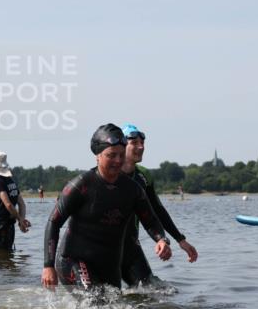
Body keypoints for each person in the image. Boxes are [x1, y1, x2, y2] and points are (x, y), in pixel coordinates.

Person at [42, 124, 171, 290]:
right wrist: (48, 266)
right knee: (96, 303)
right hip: (74, 260)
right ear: (98, 155)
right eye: (111, 155)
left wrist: (161, 239)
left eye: (121, 155)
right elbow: (53, 222)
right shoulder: (80, 186)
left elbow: (150, 220)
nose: (118, 161)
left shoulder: (133, 190)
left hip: (109, 263)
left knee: (119, 307)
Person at [118, 124, 198, 287]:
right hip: (102, 246)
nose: (141, 146)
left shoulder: (143, 176)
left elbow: (157, 211)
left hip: (131, 246)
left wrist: (179, 240)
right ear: (121, 145)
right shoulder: (108, 174)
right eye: (134, 142)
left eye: (143, 142)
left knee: (153, 290)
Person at [0, 151, 30, 251]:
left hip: (0, 225)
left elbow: (8, 204)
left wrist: (20, 220)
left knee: (0, 256)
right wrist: (21, 220)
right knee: (8, 253)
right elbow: (22, 204)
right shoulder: (11, 181)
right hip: (9, 225)